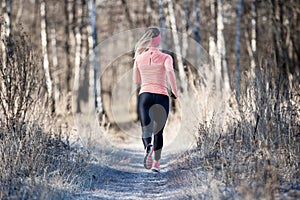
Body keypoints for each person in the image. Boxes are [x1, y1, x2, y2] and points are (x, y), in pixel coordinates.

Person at [133, 27, 178, 172]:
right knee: (158, 131)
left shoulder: (139, 58)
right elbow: (170, 71)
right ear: (157, 39)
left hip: (145, 95)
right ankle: (156, 164)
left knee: (146, 129)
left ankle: (148, 147)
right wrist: (175, 92)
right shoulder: (166, 57)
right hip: (162, 95)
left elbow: (136, 80)